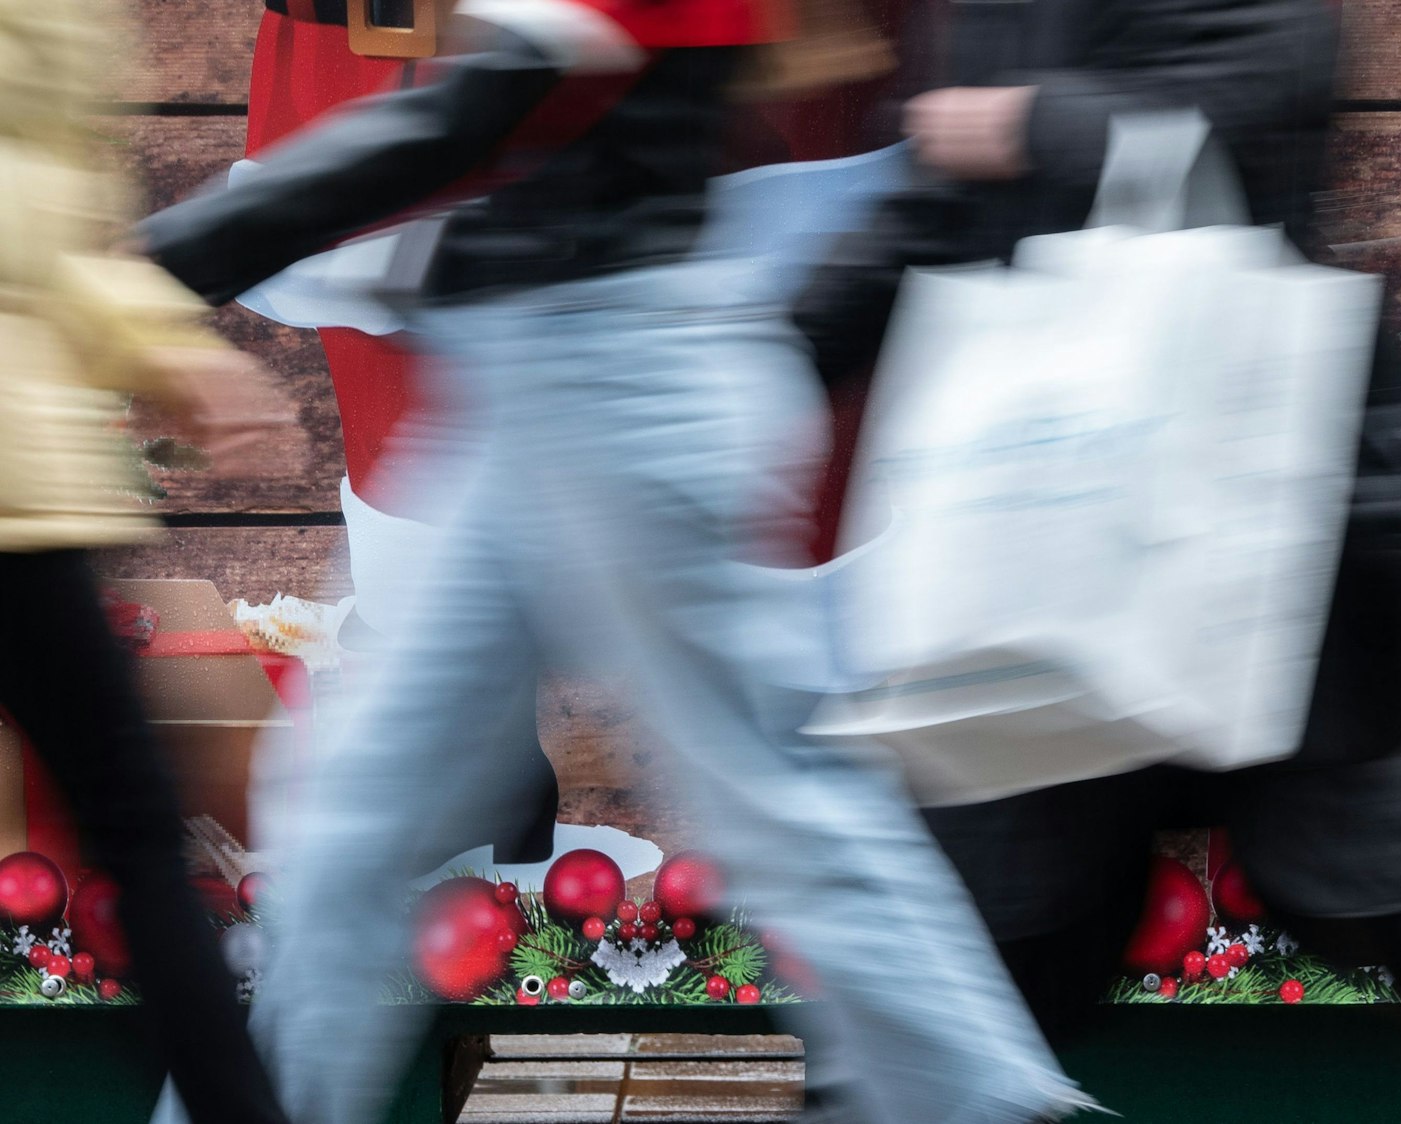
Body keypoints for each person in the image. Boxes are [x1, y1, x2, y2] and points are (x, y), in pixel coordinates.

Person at [135, 2, 1086, 1122]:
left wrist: (158, 267)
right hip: (553, 367)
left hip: (614, 378)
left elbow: (483, 106)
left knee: (777, 803)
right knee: (358, 817)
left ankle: (988, 1104)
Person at [792, 0, 1401, 1119]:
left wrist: (1031, 123)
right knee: (954, 980)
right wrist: (779, 352)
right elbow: (936, 194)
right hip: (1042, 558)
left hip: (1258, 544)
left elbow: (1266, 92)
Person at [0, 0, 292, 1120]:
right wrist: (162, 344)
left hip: (33, 482)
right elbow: (52, 236)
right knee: (136, 831)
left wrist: (162, 346)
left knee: (133, 827)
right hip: (29, 490)